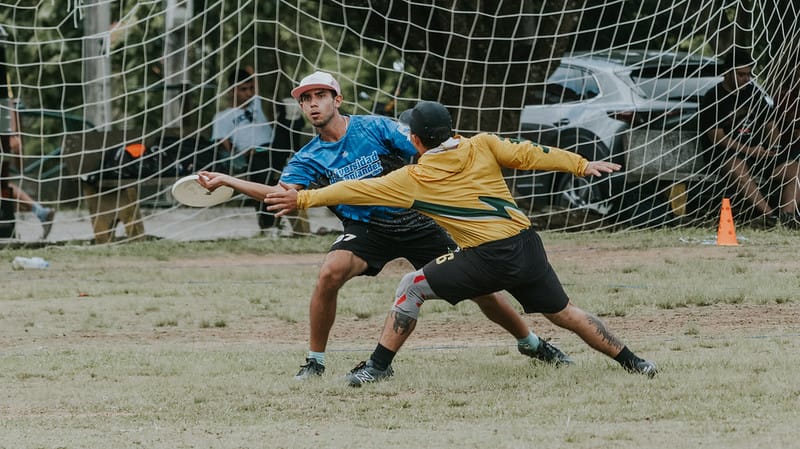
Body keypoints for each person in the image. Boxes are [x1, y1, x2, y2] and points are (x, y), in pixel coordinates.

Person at [199, 71, 570, 380]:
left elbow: (428, 151)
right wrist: (228, 180)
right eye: (304, 98)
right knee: (329, 273)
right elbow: (281, 195)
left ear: (337, 99)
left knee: (482, 289)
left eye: (319, 96)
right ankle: (315, 360)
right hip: (367, 230)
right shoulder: (308, 156)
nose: (311, 103)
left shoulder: (375, 127)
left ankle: (532, 343)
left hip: (418, 221)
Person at [265, 100, 658, 386]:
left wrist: (302, 198)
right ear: (452, 128)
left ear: (415, 140)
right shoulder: (483, 143)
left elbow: (355, 189)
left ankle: (378, 366)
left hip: (488, 256)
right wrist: (580, 163)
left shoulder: (414, 178)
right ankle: (635, 362)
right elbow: (531, 153)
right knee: (566, 312)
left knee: (410, 287)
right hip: (527, 244)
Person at [699, 47, 800, 228]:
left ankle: (788, 217)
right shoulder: (713, 97)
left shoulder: (753, 93)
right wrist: (750, 150)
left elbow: (769, 124)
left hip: (757, 155)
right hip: (726, 156)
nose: (747, 79)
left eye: (749, 74)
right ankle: (770, 216)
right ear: (728, 73)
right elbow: (717, 138)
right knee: (738, 166)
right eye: (741, 74)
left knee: (796, 170)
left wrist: (774, 147)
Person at [211, 69, 283, 234]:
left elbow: (256, 74)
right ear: (232, 90)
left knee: (289, 122)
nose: (249, 93)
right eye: (243, 89)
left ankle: (271, 224)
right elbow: (225, 148)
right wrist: (239, 159)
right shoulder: (222, 117)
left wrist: (250, 73)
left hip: (276, 149)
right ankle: (269, 225)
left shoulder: (257, 103)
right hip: (253, 156)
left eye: (251, 88)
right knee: (261, 173)